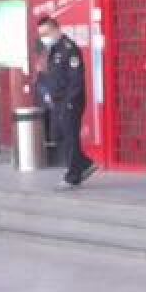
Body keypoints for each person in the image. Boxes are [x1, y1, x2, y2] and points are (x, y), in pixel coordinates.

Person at [38, 16, 97, 188]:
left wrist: (70, 102)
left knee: (70, 138)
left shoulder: (69, 49)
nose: (44, 37)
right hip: (57, 102)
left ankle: (72, 176)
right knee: (59, 136)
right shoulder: (53, 50)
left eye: (46, 33)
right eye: (41, 34)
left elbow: (76, 80)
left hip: (69, 101)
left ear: (56, 30)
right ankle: (85, 164)